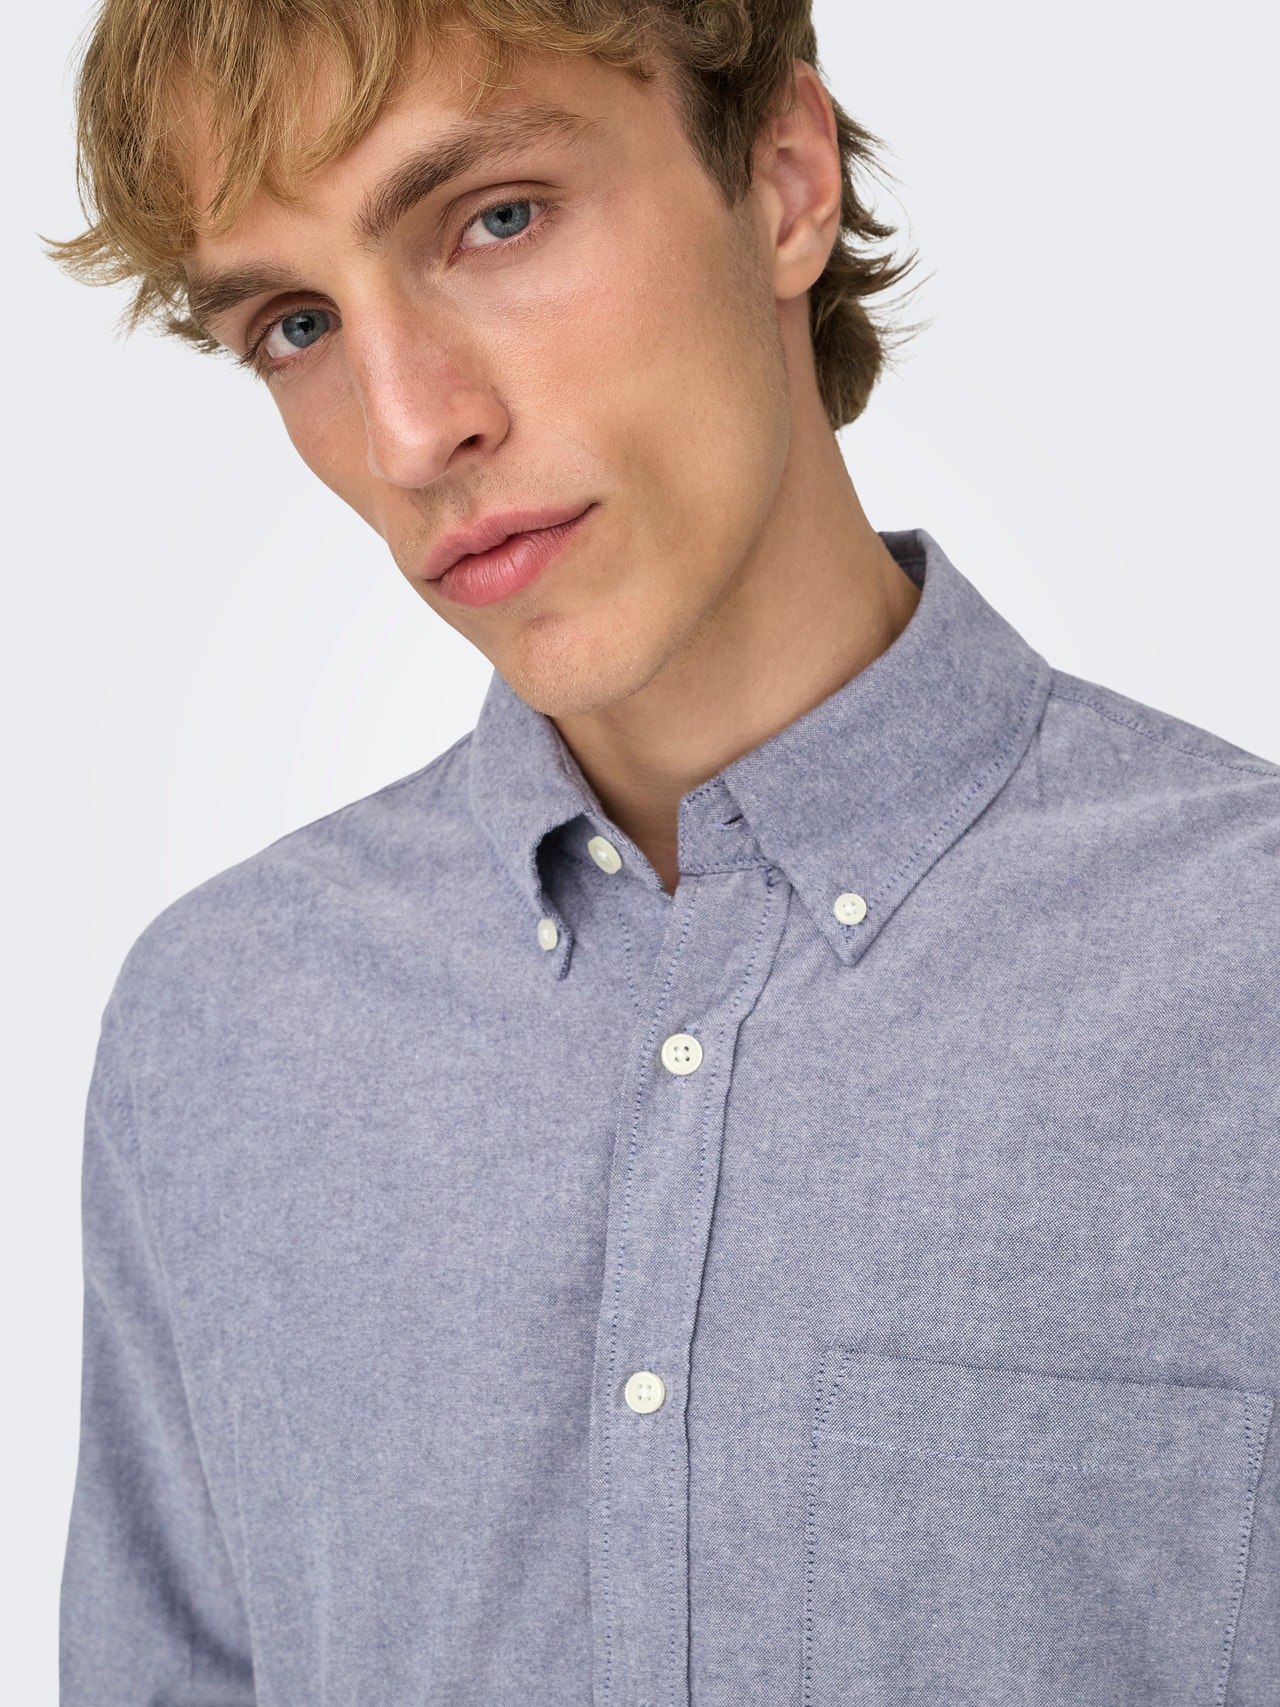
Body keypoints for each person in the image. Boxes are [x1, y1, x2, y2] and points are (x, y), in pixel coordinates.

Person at [55, 1, 1280, 1702]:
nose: (408, 432)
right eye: (297, 324)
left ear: (783, 180)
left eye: (496, 220)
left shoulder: (1245, 977)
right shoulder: (220, 1034)